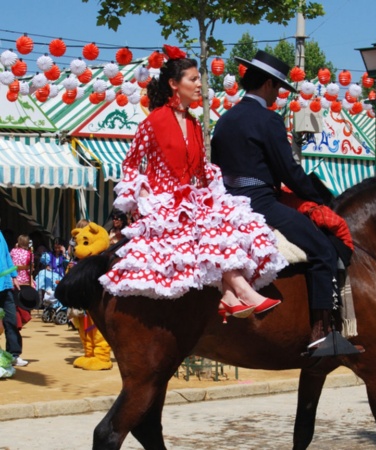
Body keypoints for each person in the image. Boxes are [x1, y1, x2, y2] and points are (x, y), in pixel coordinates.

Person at [99, 44, 286, 321]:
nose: (200, 84)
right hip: (164, 205)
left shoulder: (196, 124)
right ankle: (238, 291)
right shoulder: (153, 122)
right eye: (194, 79)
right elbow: (130, 164)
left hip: (193, 200)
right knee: (213, 227)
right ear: (174, 84)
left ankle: (231, 293)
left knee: (230, 223)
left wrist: (214, 193)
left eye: (199, 79)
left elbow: (200, 170)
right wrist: (143, 191)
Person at [211, 50, 359, 354]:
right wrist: (320, 197)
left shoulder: (224, 120)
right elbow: (288, 172)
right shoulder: (268, 120)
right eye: (277, 88)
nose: (278, 95)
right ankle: (322, 333)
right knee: (323, 250)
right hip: (260, 203)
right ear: (267, 84)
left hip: (226, 204)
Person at [0, 223, 27, 367]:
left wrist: (14, 275)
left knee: (11, 320)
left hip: (5, 285)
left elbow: (6, 257)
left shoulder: (0, 235)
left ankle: (13, 354)